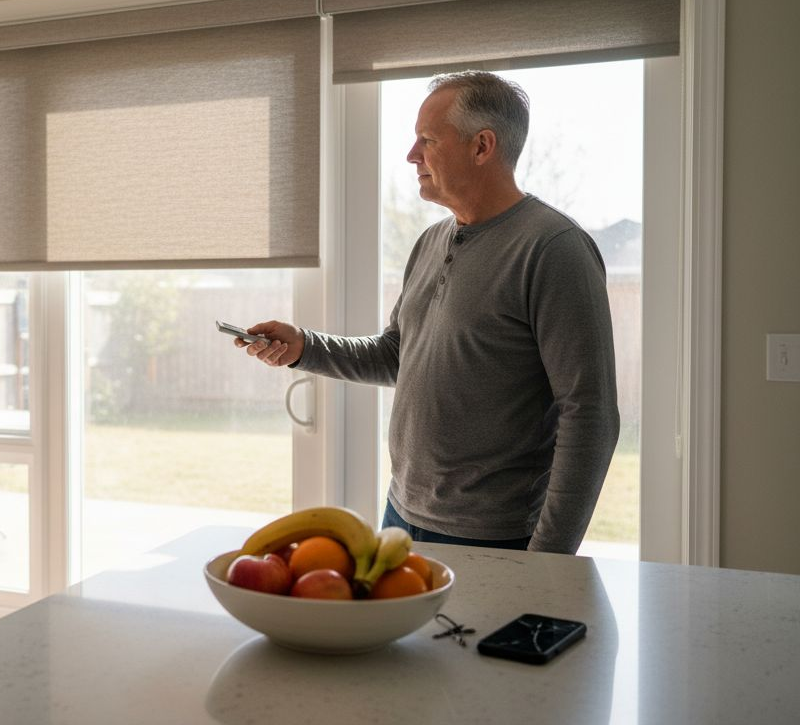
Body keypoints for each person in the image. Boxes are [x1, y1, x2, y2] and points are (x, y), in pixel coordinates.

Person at [239, 71, 619, 554]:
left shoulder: (554, 250)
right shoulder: (431, 241)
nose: (411, 155)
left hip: (496, 536)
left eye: (427, 140)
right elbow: (397, 354)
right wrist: (304, 347)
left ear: (482, 146)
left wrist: (548, 560)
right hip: (401, 516)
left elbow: (591, 415)